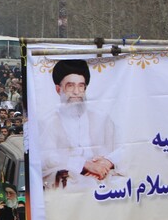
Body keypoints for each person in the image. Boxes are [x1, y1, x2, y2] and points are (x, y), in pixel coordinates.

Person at [39, 59, 123, 189]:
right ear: (58, 89)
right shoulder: (48, 122)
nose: (76, 92)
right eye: (70, 86)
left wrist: (108, 161)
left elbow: (125, 147)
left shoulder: (101, 118)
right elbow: (47, 158)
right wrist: (84, 165)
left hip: (105, 182)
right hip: (70, 186)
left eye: (81, 86)